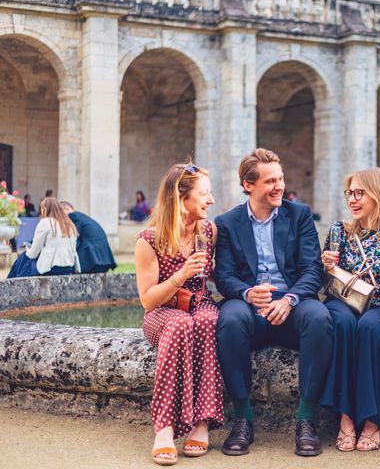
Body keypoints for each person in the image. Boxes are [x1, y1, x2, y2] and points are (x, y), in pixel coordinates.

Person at [214, 148, 332, 457]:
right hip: (250, 304)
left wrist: (290, 299)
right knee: (229, 319)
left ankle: (306, 420)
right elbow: (223, 276)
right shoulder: (227, 222)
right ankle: (242, 419)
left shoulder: (300, 214)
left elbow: (312, 269)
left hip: (291, 302)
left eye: (280, 179)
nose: (279, 186)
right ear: (248, 185)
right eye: (270, 181)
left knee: (320, 317)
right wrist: (247, 293)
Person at [134, 163, 224, 465]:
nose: (210, 200)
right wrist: (181, 275)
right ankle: (165, 428)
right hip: (163, 311)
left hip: (200, 304)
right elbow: (147, 301)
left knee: (209, 319)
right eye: (204, 194)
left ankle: (202, 422)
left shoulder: (208, 231)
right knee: (180, 324)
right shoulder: (150, 240)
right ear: (180, 198)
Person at [320, 168, 380, 452]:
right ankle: (345, 418)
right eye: (350, 194)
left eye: (359, 194)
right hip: (342, 301)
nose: (352, 200)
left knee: (369, 327)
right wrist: (326, 265)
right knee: (342, 324)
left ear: (379, 196)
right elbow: (324, 281)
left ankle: (371, 420)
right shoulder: (339, 229)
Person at [8, 197, 79, 278]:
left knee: (23, 258)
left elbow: (33, 254)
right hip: (69, 267)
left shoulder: (45, 222)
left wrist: (28, 249)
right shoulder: (70, 224)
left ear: (45, 209)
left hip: (51, 268)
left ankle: (8, 285)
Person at [60, 201, 117, 274]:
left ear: (67, 209)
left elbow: (74, 239)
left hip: (93, 258)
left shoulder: (73, 216)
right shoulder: (82, 217)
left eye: (61, 213)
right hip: (104, 258)